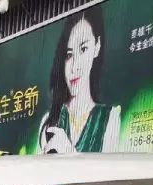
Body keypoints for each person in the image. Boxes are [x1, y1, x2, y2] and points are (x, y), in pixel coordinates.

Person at [38, 6, 121, 154]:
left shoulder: (109, 118)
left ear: (97, 46)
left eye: (83, 49)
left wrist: (70, 152)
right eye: (69, 55)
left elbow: (108, 175)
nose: (75, 66)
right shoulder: (50, 121)